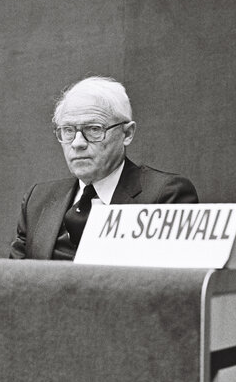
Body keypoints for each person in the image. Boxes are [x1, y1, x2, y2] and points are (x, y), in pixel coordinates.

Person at [10, 76, 198, 260]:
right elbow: (13, 282)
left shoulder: (165, 196)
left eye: (94, 129)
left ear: (127, 134)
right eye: (68, 130)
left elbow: (170, 285)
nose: (77, 143)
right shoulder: (38, 200)